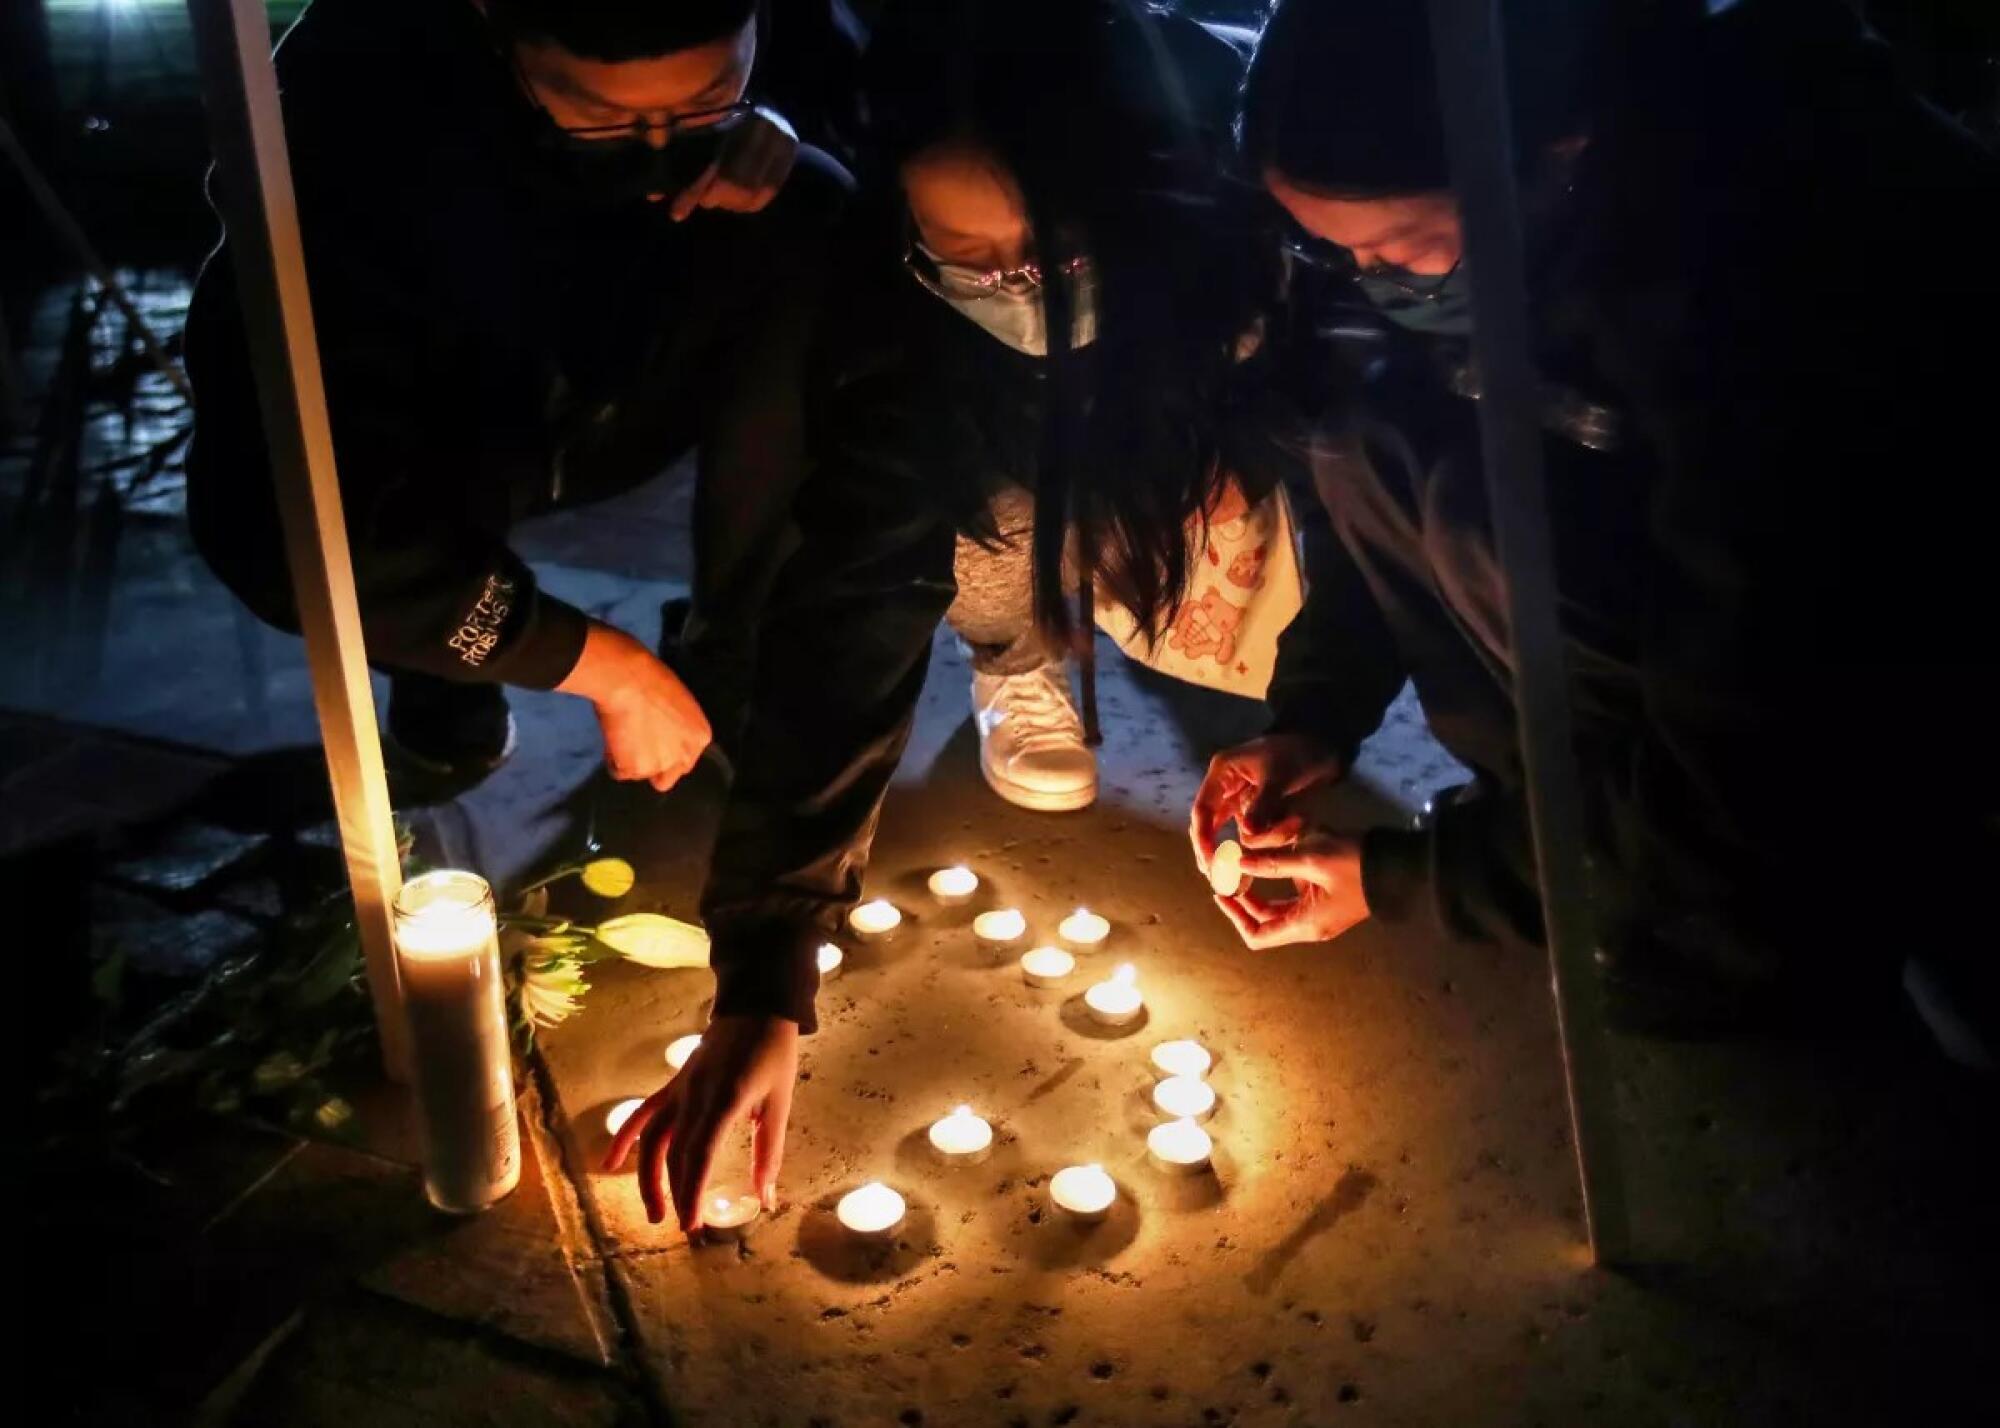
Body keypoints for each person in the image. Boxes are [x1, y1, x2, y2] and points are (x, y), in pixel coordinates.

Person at [1191, 0, 2000, 1041]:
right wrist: (1313, 714)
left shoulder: (1782, 299)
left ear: (1555, 154)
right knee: (1368, 429)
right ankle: (1585, 835)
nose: (1371, 279)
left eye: (1400, 246)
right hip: (1691, 646)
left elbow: (1766, 726)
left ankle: (1724, 908)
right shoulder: (1549, 220)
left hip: (1894, 686)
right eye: (1335, 253)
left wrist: (1416, 881)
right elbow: (1373, 471)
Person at [606, 0, 1264, 1231]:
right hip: (1028, 439)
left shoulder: (1240, 195)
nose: (999, 287)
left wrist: (1321, 713)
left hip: (1197, 405)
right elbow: (854, 598)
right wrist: (763, 971)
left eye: (1039, 262)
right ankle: (1017, 654)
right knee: (981, 508)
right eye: (955, 256)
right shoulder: (896, 312)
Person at [183, 0, 853, 785]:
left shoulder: (779, 28)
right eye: (607, 117)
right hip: (462, 402)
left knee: (816, 202)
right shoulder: (346, 130)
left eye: (705, 100)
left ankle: (733, 652)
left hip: (632, 369)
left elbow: (878, 110)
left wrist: (775, 121)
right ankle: (443, 651)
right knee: (398, 559)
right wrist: (591, 660)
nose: (660, 145)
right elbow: (277, 533)